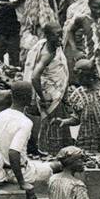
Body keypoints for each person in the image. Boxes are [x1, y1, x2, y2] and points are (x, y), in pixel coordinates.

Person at [23, 19, 69, 149]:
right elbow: (34, 77)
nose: (60, 38)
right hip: (50, 95)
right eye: (56, 35)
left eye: (61, 34)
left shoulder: (53, 47)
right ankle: (50, 150)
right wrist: (43, 98)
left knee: (58, 120)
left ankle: (55, 148)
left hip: (56, 92)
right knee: (53, 122)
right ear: (47, 36)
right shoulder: (47, 54)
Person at [64, 57, 100, 154]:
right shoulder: (76, 94)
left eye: (80, 77)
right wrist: (64, 122)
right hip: (85, 143)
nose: (77, 80)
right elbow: (77, 118)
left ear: (89, 76)